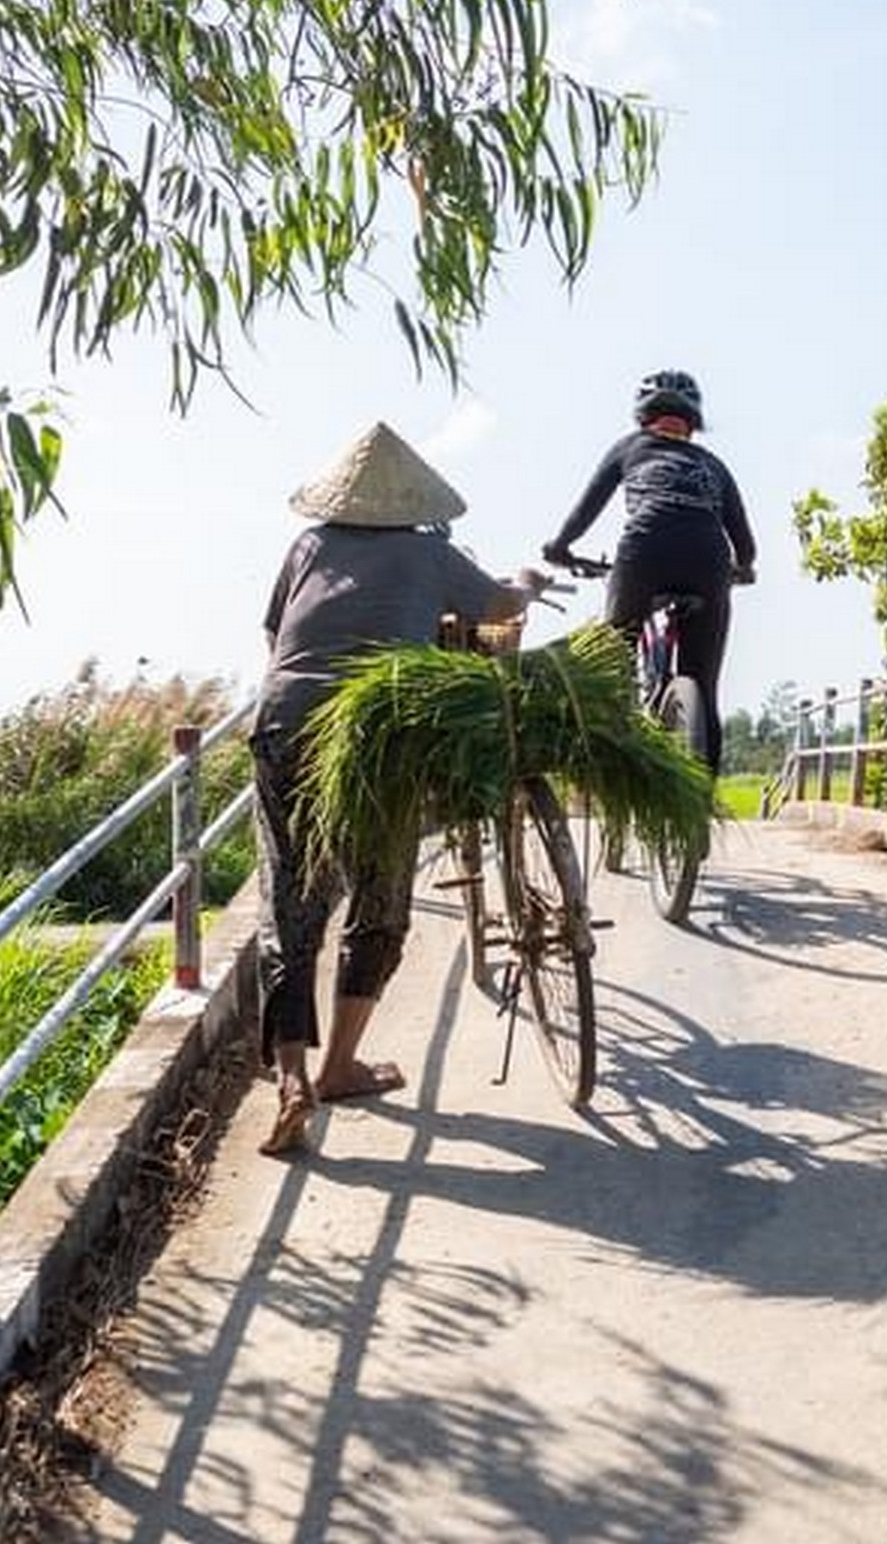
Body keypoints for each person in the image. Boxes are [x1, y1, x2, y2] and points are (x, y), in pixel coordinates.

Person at [250, 421, 530, 1156]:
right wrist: (526, 585)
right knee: (379, 897)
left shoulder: (308, 545)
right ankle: (341, 1064)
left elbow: (276, 631)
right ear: (413, 500)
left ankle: (291, 1081)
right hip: (381, 727)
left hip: (286, 727)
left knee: (290, 901)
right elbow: (499, 610)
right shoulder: (432, 551)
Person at [541, 369, 756, 772]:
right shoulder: (715, 466)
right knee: (704, 688)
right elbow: (745, 545)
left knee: (614, 659)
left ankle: (613, 766)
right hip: (709, 562)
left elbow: (586, 510)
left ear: (643, 416)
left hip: (643, 555)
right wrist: (742, 569)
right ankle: (700, 805)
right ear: (693, 422)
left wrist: (560, 548)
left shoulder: (629, 448)